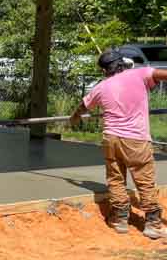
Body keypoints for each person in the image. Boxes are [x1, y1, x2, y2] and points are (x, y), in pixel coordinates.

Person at [70, 48, 167, 239]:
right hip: (136, 140)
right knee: (144, 181)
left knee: (116, 179)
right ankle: (153, 224)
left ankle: (120, 220)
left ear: (104, 70)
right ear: (122, 63)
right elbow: (161, 74)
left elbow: (82, 106)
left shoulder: (101, 86)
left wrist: (74, 118)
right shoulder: (140, 74)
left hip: (111, 139)